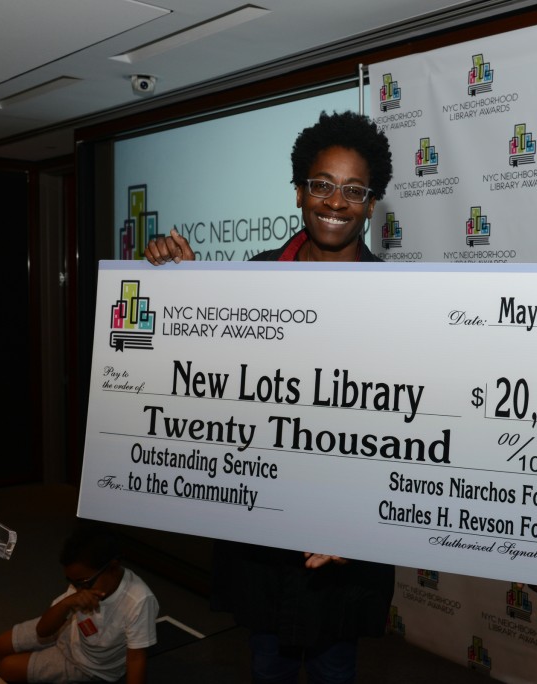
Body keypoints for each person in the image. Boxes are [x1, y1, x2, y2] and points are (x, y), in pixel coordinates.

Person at [145, 110, 395, 684]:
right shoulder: (247, 281)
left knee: (336, 668)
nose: (336, 201)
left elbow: (402, 432)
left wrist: (354, 521)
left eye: (354, 190)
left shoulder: (399, 297)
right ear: (299, 193)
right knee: (266, 667)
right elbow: (203, 384)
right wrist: (182, 292)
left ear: (371, 203)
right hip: (261, 540)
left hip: (346, 541)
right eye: (322, 185)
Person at [0, 526, 158, 684]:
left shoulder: (139, 601)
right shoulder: (84, 583)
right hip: (69, 629)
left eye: (82, 582)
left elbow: (136, 658)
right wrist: (67, 603)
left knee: (7, 668)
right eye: (72, 582)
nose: (77, 588)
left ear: (113, 568)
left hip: (88, 665)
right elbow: (42, 631)